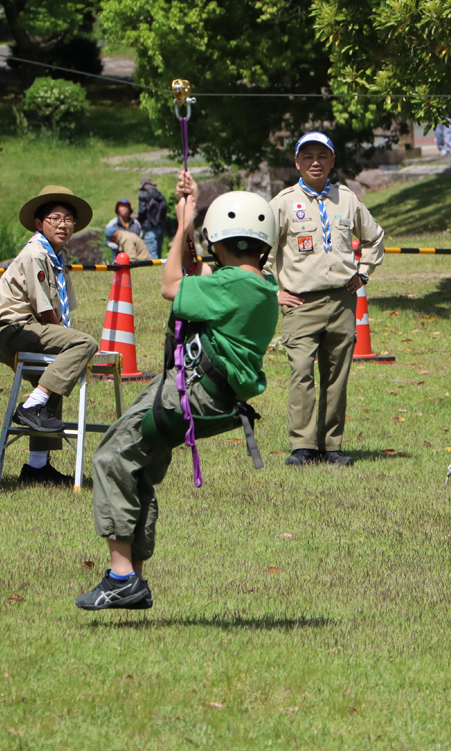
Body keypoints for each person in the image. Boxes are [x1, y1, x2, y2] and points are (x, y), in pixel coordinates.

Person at [75, 173, 278, 611]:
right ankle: (133, 578)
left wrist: (183, 225)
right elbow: (195, 270)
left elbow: (171, 284)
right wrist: (188, 210)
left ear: (218, 238)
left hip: (191, 390)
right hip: (211, 396)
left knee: (111, 455)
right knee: (138, 468)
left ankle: (121, 577)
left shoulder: (232, 285)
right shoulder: (256, 284)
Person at [266, 132, 385, 467]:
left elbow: (375, 238)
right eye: (308, 156)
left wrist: (363, 273)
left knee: (336, 376)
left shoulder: (347, 200)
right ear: (297, 162)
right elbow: (260, 253)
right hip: (300, 303)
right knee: (301, 372)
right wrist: (274, 291)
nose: (315, 162)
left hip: (341, 301)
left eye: (322, 156)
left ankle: (331, 445)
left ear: (332, 161)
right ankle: (302, 446)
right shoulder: (282, 203)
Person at [0, 185, 99, 487]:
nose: (63, 225)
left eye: (69, 219)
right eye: (55, 218)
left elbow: (61, 312)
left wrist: (67, 343)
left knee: (56, 374)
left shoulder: (57, 255)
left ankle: (37, 466)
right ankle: (30, 406)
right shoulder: (36, 253)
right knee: (84, 343)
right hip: (14, 330)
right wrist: (72, 342)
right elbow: (46, 310)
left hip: (32, 329)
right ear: (39, 223)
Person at [137, 176, 167, 259]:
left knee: (151, 252)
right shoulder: (160, 195)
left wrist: (137, 216)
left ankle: (155, 266)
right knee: (158, 251)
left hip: (149, 226)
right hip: (161, 226)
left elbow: (142, 211)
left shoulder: (144, 194)